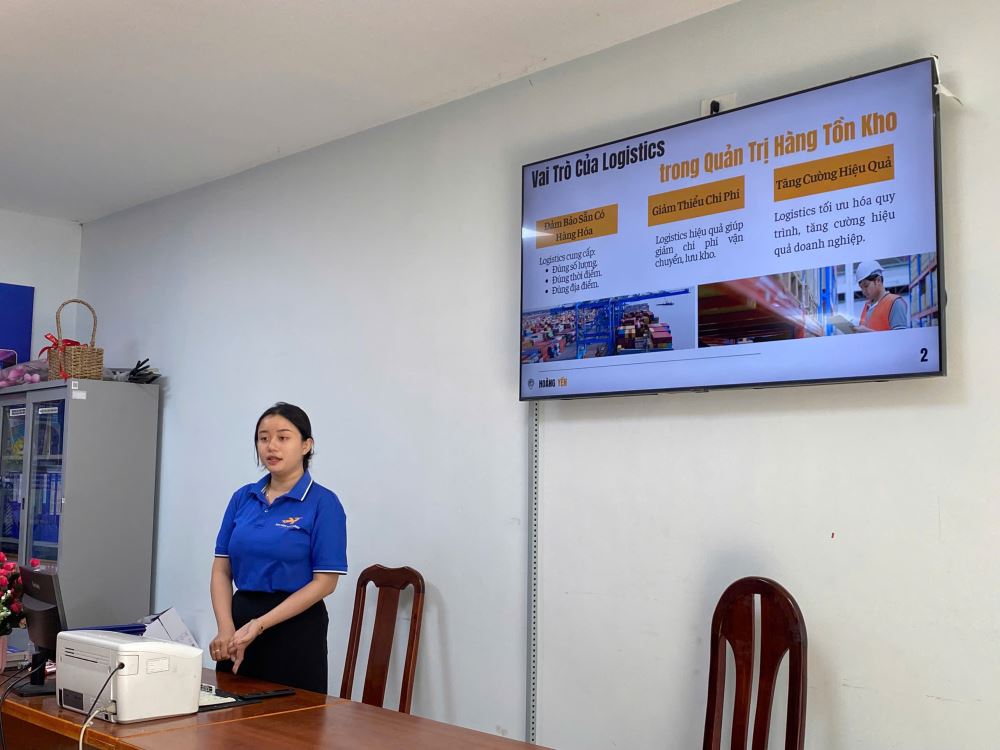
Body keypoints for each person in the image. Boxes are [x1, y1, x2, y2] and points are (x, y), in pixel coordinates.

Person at [210, 402, 347, 693]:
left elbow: (325, 583)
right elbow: (222, 570)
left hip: (295, 629)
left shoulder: (324, 503)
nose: (271, 446)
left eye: (283, 437)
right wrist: (225, 627)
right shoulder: (242, 498)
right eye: (263, 438)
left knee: (293, 719)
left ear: (306, 445)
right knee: (229, 715)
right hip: (240, 625)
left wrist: (260, 625)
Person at [854, 259, 908, 331]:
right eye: (861, 288)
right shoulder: (867, 306)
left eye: (866, 286)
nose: (863, 292)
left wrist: (869, 333)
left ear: (878, 280)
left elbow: (900, 336)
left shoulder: (895, 302)